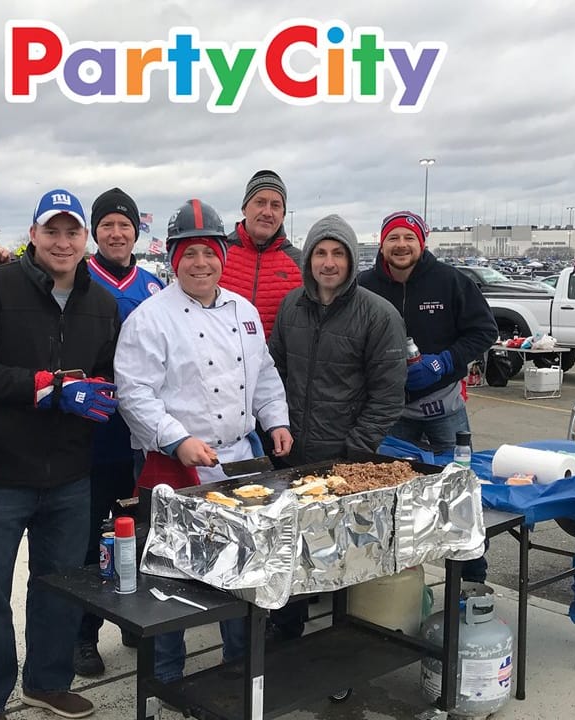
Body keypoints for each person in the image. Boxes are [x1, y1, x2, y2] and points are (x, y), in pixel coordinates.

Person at [0, 188, 120, 720]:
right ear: (33, 234)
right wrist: (42, 387)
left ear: (84, 238)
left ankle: (46, 682)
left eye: (72, 232)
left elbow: (110, 374)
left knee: (59, 586)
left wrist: (99, 392)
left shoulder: (102, 303)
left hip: (69, 473)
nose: (62, 243)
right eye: (52, 231)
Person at [115, 198, 292, 684]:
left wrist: (274, 419)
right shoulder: (151, 318)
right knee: (171, 580)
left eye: (209, 253)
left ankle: (239, 670)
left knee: (242, 571)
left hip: (240, 462)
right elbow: (134, 393)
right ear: (174, 260)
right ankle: (166, 678)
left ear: (222, 255)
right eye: (189, 254)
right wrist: (177, 440)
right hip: (179, 466)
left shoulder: (245, 311)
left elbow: (265, 374)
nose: (200, 264)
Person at [266, 213, 408, 640]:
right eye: (321, 253)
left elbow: (388, 396)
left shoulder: (378, 316)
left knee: (342, 559)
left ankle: (341, 647)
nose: (329, 263)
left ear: (350, 261)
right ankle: (284, 633)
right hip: (292, 454)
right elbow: (274, 372)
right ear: (309, 258)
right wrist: (276, 429)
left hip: (345, 461)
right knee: (289, 549)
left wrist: (355, 451)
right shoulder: (292, 306)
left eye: (338, 254)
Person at [359, 210, 497, 582]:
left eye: (409, 237)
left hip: (444, 407)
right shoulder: (365, 285)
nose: (401, 245)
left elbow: (484, 331)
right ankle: (385, 579)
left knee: (458, 493)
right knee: (387, 495)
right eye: (393, 238)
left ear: (422, 241)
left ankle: (471, 578)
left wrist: (444, 362)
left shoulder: (451, 281)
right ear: (382, 243)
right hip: (390, 411)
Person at [74, 187, 164, 678]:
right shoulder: (77, 279)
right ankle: (84, 636)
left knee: (145, 538)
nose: (115, 232)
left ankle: (137, 621)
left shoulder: (153, 286)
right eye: (106, 224)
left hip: (140, 441)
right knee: (91, 543)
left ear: (135, 232)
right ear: (95, 232)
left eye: (123, 225)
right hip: (91, 441)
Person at [219, 169, 302, 335]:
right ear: (244, 208)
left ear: (283, 215)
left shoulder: (300, 263)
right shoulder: (219, 254)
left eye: (276, 206)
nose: (267, 212)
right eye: (260, 202)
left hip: (276, 361)